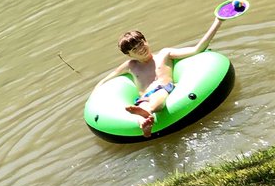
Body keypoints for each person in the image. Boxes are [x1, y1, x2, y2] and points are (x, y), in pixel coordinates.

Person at [94, 16, 226, 137]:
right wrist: (95, 96)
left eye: (141, 44)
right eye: (135, 49)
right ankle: (144, 123)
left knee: (157, 99)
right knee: (143, 105)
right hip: (144, 97)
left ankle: (148, 113)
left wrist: (218, 21)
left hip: (164, 88)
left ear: (146, 41)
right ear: (129, 55)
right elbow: (106, 79)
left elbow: (197, 49)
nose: (140, 49)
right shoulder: (131, 65)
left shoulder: (164, 55)